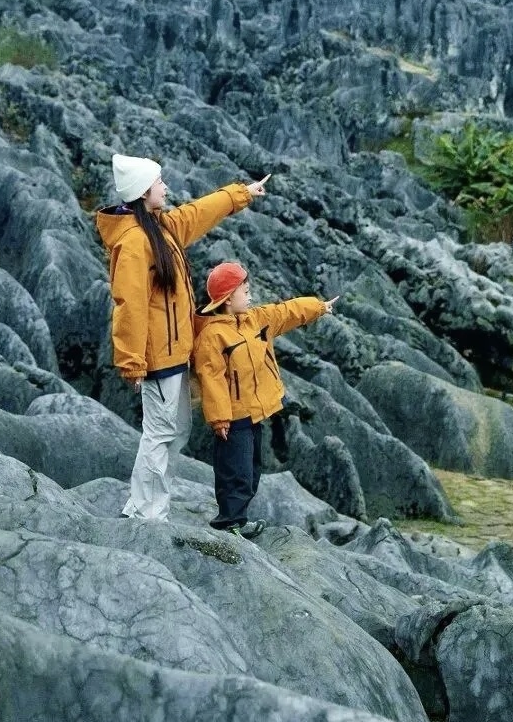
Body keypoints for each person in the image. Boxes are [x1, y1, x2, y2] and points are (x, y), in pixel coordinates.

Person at [96, 155, 269, 521]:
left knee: (176, 432)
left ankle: (148, 507)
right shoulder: (134, 242)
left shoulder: (159, 228)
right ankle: (144, 513)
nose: (165, 187)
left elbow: (197, 213)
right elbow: (129, 305)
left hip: (176, 355)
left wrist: (242, 193)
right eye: (159, 182)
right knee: (160, 433)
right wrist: (131, 360)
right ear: (144, 192)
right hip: (158, 359)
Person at [193, 261, 337, 537]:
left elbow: (286, 312)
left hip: (253, 413)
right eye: (245, 292)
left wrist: (318, 307)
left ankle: (237, 519)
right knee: (235, 471)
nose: (250, 297)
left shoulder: (255, 320)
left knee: (251, 469)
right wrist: (220, 419)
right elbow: (211, 380)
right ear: (227, 298)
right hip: (232, 418)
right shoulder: (212, 335)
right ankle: (229, 523)